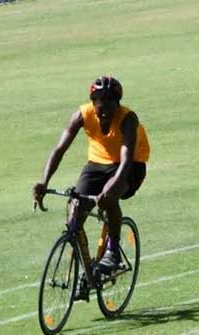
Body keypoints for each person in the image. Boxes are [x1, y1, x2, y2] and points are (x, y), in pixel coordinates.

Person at [32, 76, 150, 276]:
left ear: (118, 105)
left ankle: (113, 251)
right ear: (92, 103)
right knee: (75, 211)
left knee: (110, 197)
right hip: (97, 164)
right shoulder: (81, 115)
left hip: (130, 165)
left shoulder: (128, 119)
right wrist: (44, 182)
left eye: (110, 108)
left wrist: (109, 190)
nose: (104, 114)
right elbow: (59, 150)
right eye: (100, 108)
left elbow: (126, 159)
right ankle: (86, 271)